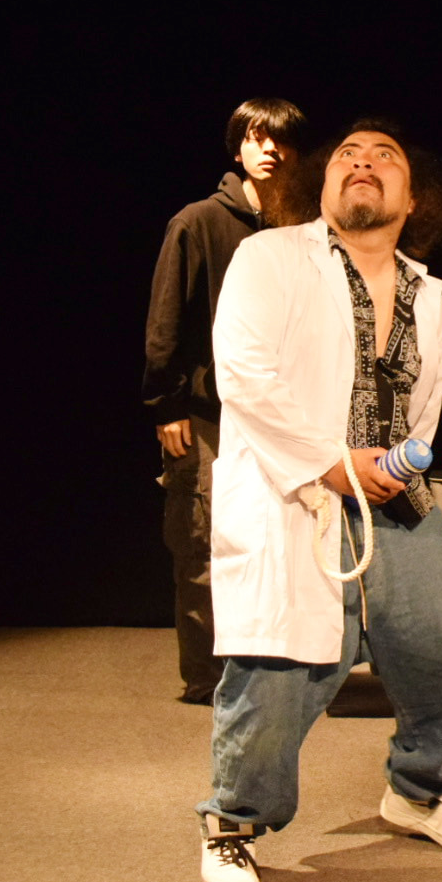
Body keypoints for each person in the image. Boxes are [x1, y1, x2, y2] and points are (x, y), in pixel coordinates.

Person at [197, 120, 442, 882]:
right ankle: (232, 823)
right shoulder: (270, 258)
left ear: (413, 198)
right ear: (322, 186)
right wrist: (328, 462)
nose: (363, 162)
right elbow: (244, 373)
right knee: (279, 670)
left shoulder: (429, 295)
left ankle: (421, 790)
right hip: (296, 492)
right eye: (347, 156)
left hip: (390, 495)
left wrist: (393, 467)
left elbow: (422, 408)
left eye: (384, 156)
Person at [144, 97, 307, 704]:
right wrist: (167, 406)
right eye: (257, 137)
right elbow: (165, 321)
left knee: (284, 539)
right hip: (208, 413)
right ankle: (207, 678)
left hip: (282, 414)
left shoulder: (302, 229)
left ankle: (278, 668)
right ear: (238, 148)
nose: (270, 149)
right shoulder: (198, 222)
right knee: (203, 540)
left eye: (281, 139)